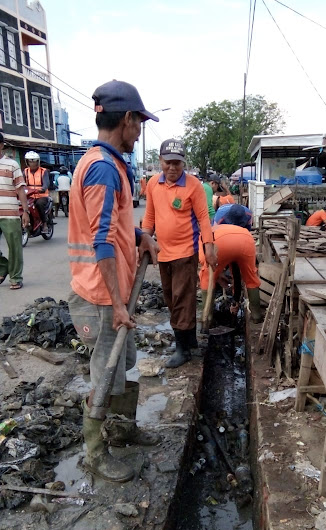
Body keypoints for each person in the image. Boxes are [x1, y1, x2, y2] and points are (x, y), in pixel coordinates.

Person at [67, 79, 160, 483]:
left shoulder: (111, 164)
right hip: (103, 297)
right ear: (126, 119)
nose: (140, 131)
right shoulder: (103, 168)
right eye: (139, 122)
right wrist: (119, 304)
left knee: (124, 364)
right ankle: (95, 452)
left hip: (114, 293)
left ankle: (122, 430)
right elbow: (101, 240)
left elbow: (115, 227)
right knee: (105, 372)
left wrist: (139, 236)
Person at [142, 139, 216, 368]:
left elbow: (204, 218)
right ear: (160, 161)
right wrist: (144, 238)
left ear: (184, 164)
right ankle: (190, 339)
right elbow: (150, 216)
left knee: (182, 299)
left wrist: (209, 246)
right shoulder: (154, 183)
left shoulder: (193, 185)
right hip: (162, 253)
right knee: (171, 298)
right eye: (168, 163)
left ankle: (183, 349)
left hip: (185, 252)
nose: (173, 168)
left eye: (177, 163)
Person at [199, 224, 262, 323]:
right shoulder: (220, 228)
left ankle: (207, 320)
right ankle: (257, 316)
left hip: (218, 242)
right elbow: (236, 272)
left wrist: (216, 275)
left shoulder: (201, 239)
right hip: (246, 239)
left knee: (206, 279)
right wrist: (235, 299)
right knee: (251, 278)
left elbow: (209, 268)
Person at [0, 135, 29, 290]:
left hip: (10, 213)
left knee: (15, 247)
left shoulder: (12, 165)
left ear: (1, 145)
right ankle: (3, 266)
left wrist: (25, 211)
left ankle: (15, 277)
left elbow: (20, 189)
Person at [23, 151, 50, 233]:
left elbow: (46, 183)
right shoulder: (25, 171)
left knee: (39, 204)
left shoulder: (43, 171)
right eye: (30, 161)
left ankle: (44, 224)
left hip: (41, 195)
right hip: (29, 196)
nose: (32, 163)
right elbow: (21, 183)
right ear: (27, 162)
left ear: (37, 161)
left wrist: (43, 188)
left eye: (34, 161)